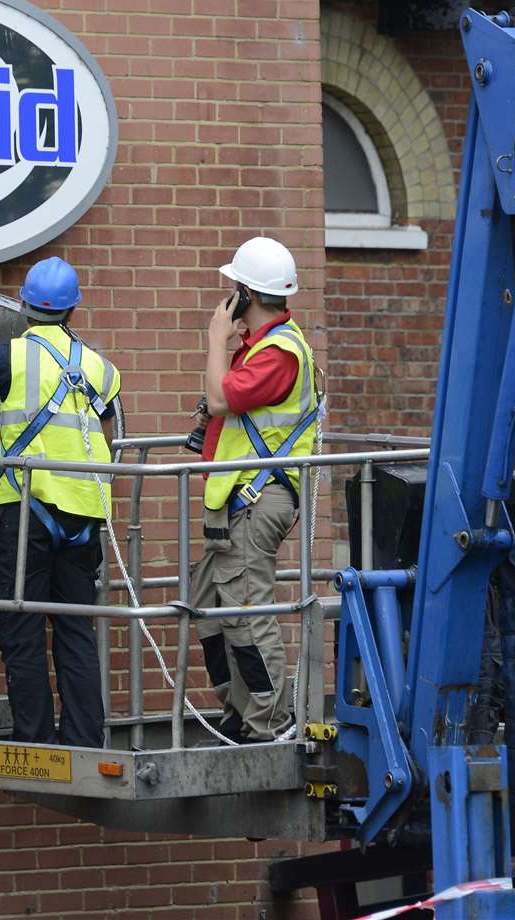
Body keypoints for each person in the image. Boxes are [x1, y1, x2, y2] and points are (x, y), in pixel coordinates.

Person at [0, 257, 123, 748]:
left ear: (24, 304)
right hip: (85, 512)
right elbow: (107, 434)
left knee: (21, 622)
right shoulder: (100, 366)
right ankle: (84, 740)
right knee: (76, 629)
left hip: (27, 507)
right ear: (75, 308)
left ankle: (34, 740)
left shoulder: (13, 355)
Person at [192, 236, 318, 744]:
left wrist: (215, 340)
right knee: (209, 608)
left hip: (256, 498)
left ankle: (269, 722)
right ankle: (239, 709)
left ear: (247, 295)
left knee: (246, 611)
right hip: (234, 497)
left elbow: (221, 401)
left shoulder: (279, 353)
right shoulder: (261, 349)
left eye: (234, 290)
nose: (228, 297)